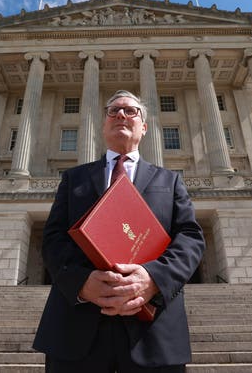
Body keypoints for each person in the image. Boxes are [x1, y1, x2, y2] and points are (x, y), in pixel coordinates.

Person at [33, 90, 205, 372]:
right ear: (103, 125)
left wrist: (153, 278)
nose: (121, 115)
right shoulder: (73, 178)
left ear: (144, 127)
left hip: (154, 332)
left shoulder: (170, 180)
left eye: (131, 111)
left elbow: (190, 238)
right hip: (77, 328)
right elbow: (52, 239)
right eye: (113, 111)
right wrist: (81, 282)